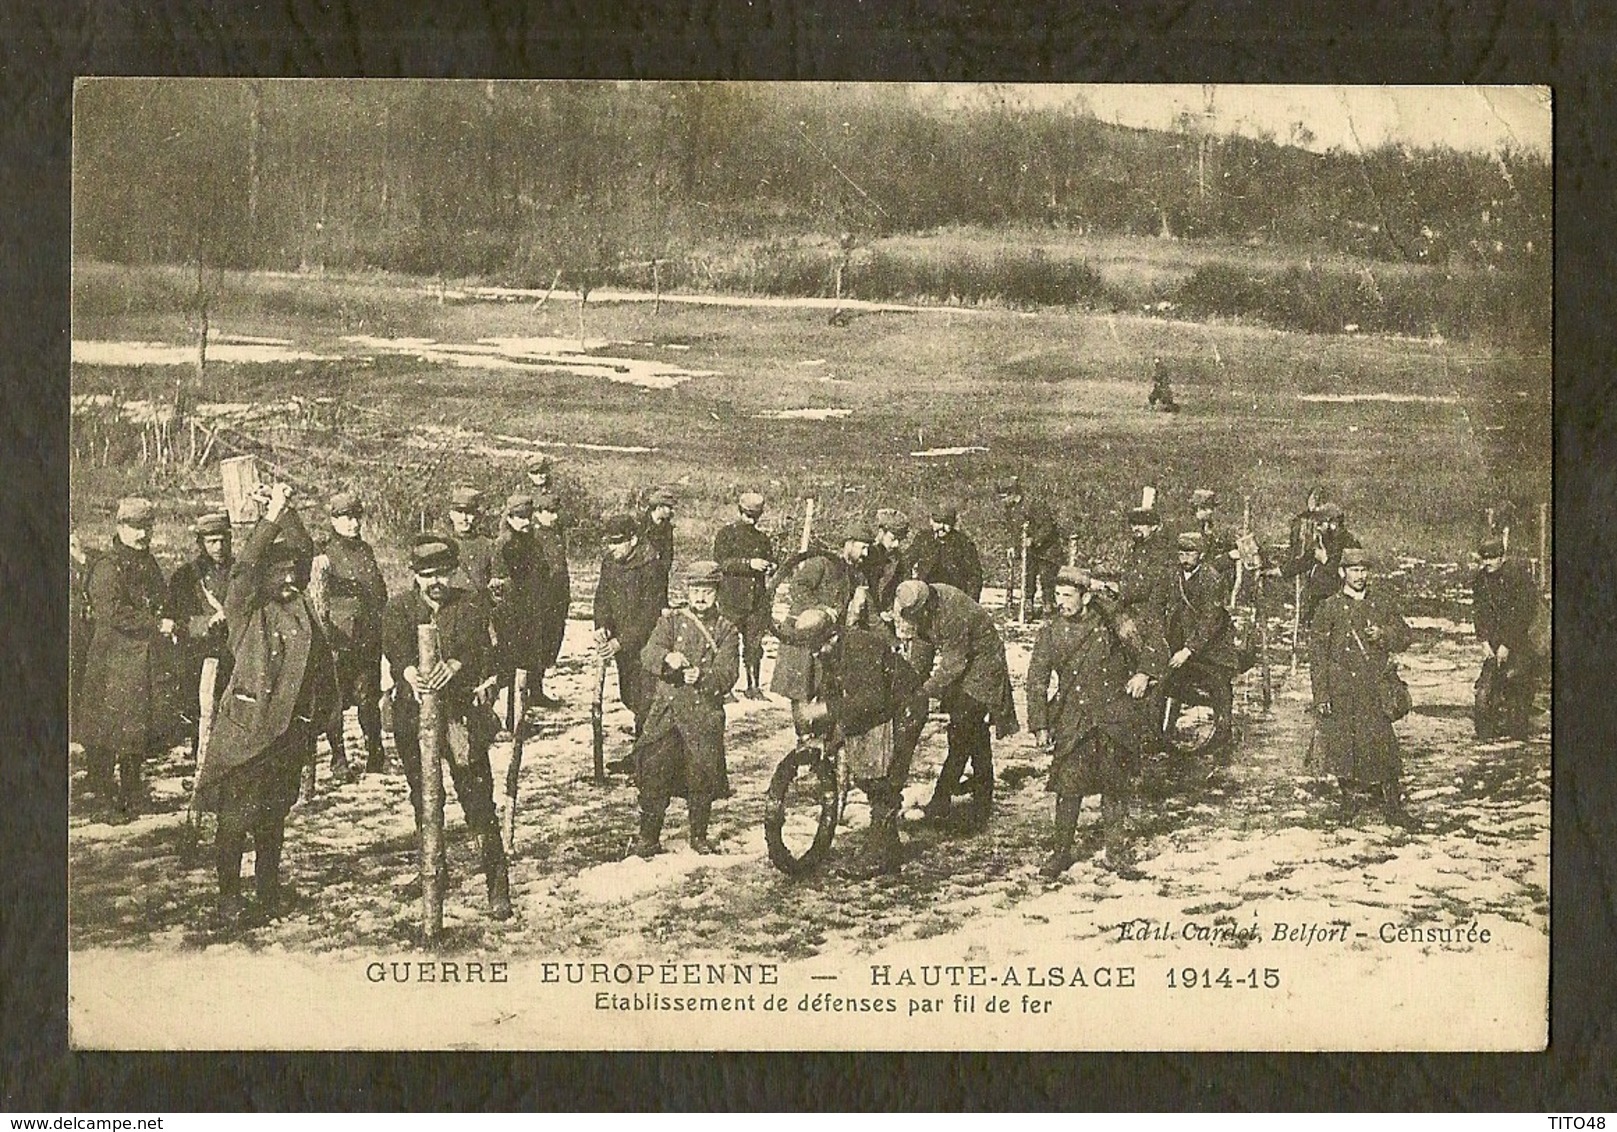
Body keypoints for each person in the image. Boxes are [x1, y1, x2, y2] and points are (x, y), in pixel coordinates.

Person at [195, 484, 337, 925]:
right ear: (264, 578)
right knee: (235, 822)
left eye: (293, 571)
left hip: (288, 734)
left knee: (273, 818)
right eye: (279, 573)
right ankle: (229, 898)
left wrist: (286, 508)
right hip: (247, 734)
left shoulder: (302, 611)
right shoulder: (245, 610)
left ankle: (269, 892)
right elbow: (244, 568)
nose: (290, 578)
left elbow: (305, 548)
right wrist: (269, 516)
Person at [383, 535, 511, 920]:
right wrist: (411, 673)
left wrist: (454, 667)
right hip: (415, 719)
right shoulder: (399, 609)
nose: (434, 582)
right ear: (415, 576)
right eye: (426, 575)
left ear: (453, 573)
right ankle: (431, 868)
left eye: (441, 574)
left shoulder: (470, 607)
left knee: (477, 800)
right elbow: (394, 649)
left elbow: (484, 653)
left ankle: (497, 883)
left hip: (460, 718)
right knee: (423, 797)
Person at [1027, 566, 1161, 878]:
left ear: (1086, 597)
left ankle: (1116, 853)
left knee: (1115, 786)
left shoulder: (1113, 624)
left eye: (1068, 595)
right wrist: (1040, 724)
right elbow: (1036, 679)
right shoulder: (1050, 631)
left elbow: (1152, 648)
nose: (1061, 602)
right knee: (1068, 787)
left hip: (1113, 718)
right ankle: (1061, 853)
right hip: (1074, 718)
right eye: (1057, 595)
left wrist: (1143, 673)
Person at [787, 605, 927, 877]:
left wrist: (827, 709)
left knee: (886, 779)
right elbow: (834, 687)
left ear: (831, 635)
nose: (815, 653)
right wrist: (823, 732)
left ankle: (881, 855)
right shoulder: (831, 648)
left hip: (905, 707)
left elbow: (871, 700)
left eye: (817, 646)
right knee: (869, 777)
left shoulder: (861, 647)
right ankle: (887, 846)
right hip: (884, 707)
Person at [628, 561, 740, 858]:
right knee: (654, 773)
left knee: (700, 776)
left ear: (717, 593)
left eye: (707, 591)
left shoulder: (727, 630)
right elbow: (647, 653)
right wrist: (668, 658)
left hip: (703, 714)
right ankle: (648, 838)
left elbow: (729, 673)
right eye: (695, 590)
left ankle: (699, 836)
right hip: (666, 712)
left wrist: (702, 677)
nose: (700, 597)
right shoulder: (672, 621)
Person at [75, 496, 177, 820]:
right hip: (111, 662)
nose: (142, 533)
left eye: (146, 526)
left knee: (136, 730)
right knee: (106, 734)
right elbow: (112, 612)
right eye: (135, 526)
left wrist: (168, 618)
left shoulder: (147, 563)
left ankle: (133, 795)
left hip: (140, 660)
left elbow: (161, 597)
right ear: (120, 527)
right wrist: (155, 623)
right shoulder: (108, 566)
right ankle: (104, 802)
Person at [894, 579, 1019, 830]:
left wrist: (924, 692)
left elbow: (953, 663)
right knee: (972, 734)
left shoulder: (951, 613)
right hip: (965, 663)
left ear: (927, 606)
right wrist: (913, 681)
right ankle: (981, 797)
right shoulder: (919, 606)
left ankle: (945, 800)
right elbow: (922, 645)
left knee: (963, 730)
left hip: (984, 665)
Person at [1309, 547, 1414, 818]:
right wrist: (1321, 695)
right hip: (1341, 687)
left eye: (1364, 570)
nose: (1360, 575)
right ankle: (1350, 799)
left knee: (1382, 742)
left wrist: (1384, 634)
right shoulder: (1328, 608)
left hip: (1373, 685)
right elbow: (1318, 655)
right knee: (1343, 745)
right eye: (1354, 570)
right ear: (1343, 572)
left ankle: (1392, 802)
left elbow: (1404, 636)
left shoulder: (1381, 603)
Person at [770, 520, 874, 731]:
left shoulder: (854, 574)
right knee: (801, 690)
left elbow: (864, 611)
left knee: (826, 689)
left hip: (826, 639)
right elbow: (797, 587)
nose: (866, 553)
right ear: (849, 543)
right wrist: (820, 608)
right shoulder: (821, 562)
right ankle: (804, 739)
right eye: (863, 547)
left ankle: (820, 740)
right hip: (801, 635)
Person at [311, 492, 387, 779]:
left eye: (357, 517)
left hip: (367, 637)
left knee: (369, 700)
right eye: (346, 518)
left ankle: (376, 755)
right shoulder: (324, 552)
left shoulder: (366, 550)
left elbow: (379, 591)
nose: (353, 523)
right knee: (335, 702)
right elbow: (318, 596)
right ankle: (338, 759)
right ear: (333, 520)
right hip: (337, 640)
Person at [593, 513, 668, 746]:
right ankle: (641, 752)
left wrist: (621, 642)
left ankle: (646, 756)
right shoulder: (610, 561)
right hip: (621, 644)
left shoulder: (651, 565)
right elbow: (602, 596)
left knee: (646, 699)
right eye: (609, 541)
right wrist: (602, 625)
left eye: (617, 541)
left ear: (633, 540)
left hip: (646, 643)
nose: (612, 547)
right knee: (630, 695)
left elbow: (650, 614)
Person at [1164, 531, 1239, 757]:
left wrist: (1189, 649)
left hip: (1215, 645)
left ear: (1202, 555)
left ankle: (1223, 736)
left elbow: (1211, 619)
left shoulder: (1211, 578)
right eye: (1181, 553)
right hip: (1185, 640)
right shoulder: (1174, 575)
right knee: (1171, 681)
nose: (1185, 558)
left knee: (1220, 685)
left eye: (1190, 553)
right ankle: (1166, 733)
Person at [167, 511, 236, 758]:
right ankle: (200, 754)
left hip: (233, 649)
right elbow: (176, 618)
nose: (218, 547)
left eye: (223, 540)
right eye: (211, 541)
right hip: (200, 651)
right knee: (200, 707)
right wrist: (205, 623)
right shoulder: (186, 576)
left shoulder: (239, 573)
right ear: (200, 543)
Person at [1472, 535, 1543, 740]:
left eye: (1492, 558)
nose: (1488, 563)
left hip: (1519, 642)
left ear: (1502, 557)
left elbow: (1523, 613)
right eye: (1484, 558)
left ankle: (1517, 743)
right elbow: (1479, 612)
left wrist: (1507, 644)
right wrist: (1484, 641)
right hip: (1493, 643)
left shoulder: (1518, 576)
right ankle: (1486, 742)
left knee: (1518, 692)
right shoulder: (1480, 580)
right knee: (1483, 695)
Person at [490, 492, 550, 720]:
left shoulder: (533, 542)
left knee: (525, 666)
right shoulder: (503, 544)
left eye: (528, 516)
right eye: (519, 517)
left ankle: (517, 719)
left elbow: (542, 572)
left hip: (531, 612)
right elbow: (499, 581)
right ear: (509, 518)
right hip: (510, 616)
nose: (525, 522)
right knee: (508, 668)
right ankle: (506, 719)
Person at [713, 491, 776, 700]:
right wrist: (749, 564)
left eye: (755, 516)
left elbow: (770, 560)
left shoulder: (762, 539)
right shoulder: (726, 534)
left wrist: (770, 567)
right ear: (739, 511)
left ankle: (753, 687)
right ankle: (725, 689)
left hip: (756, 601)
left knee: (754, 646)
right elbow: (721, 563)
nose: (751, 519)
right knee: (727, 645)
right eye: (748, 514)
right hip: (732, 599)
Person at [1282, 501, 1359, 627]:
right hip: (1318, 598)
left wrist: (1325, 560)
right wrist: (1276, 571)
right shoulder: (1324, 540)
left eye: (1319, 524)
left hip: (1337, 601)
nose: (1317, 528)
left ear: (1333, 524)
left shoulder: (1349, 543)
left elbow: (1350, 575)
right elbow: (1304, 562)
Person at [998, 477, 1063, 619]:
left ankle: (1049, 610)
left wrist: (1034, 540)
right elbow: (1011, 530)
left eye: (1004, 497)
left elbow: (1048, 527)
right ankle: (1027, 609)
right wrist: (1011, 546)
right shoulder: (1010, 510)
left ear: (1012, 494)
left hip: (1047, 550)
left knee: (1047, 581)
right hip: (1029, 552)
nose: (1002, 501)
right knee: (1027, 579)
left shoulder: (1033, 504)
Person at [530, 492, 571, 708]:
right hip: (542, 599)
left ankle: (537, 689)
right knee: (538, 643)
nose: (554, 516)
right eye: (549, 512)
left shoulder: (556, 532)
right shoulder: (532, 535)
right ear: (537, 513)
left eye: (555, 512)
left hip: (558, 596)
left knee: (551, 642)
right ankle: (532, 691)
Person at [911, 502, 984, 602]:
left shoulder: (964, 543)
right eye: (937, 522)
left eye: (946, 523)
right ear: (930, 521)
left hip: (954, 597)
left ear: (953, 524)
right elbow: (906, 563)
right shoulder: (923, 538)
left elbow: (974, 577)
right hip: (926, 595)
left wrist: (969, 603)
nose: (941, 527)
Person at [867, 508, 919, 616]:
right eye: (893, 538)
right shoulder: (864, 555)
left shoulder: (898, 560)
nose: (896, 544)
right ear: (881, 532)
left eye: (900, 540)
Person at [446, 486, 496, 596]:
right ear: (451, 514)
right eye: (459, 512)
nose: (464, 518)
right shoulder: (442, 545)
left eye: (469, 513)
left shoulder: (487, 545)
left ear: (476, 515)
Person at [1190, 488, 1240, 588]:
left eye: (1212, 508)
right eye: (1207, 508)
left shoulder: (1209, 526)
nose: (1211, 512)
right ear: (1198, 509)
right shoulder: (1191, 530)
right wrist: (1226, 558)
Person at [642, 486, 678, 610]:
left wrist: (664, 566)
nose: (671, 511)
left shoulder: (667, 527)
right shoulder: (641, 524)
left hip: (660, 572)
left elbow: (669, 551)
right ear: (659, 507)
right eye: (669, 508)